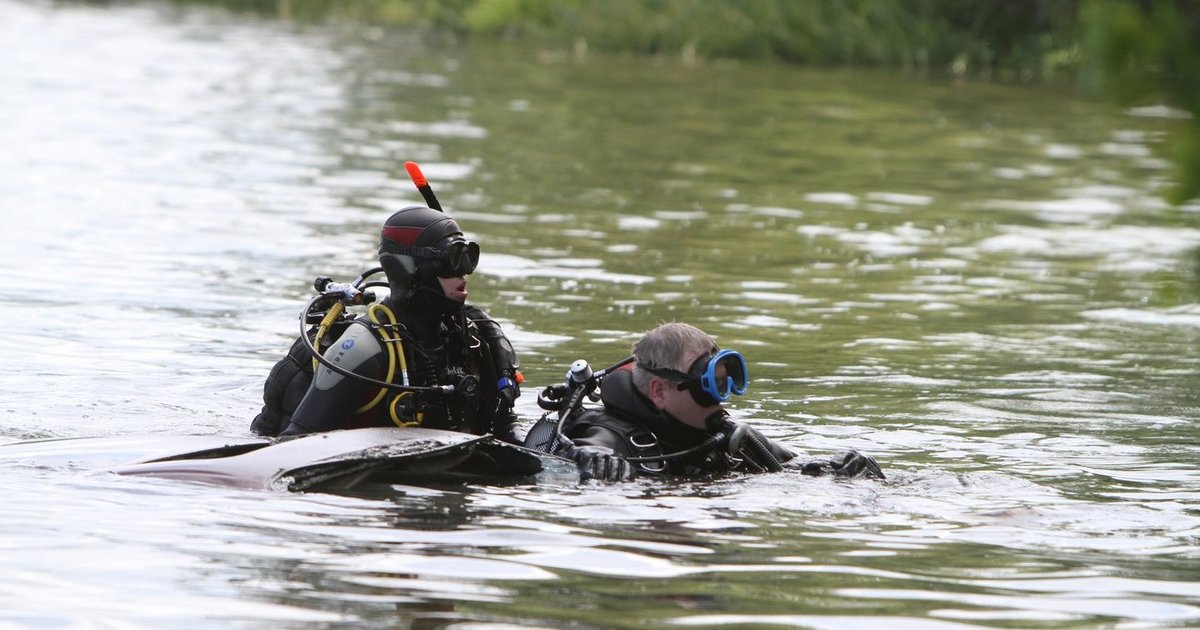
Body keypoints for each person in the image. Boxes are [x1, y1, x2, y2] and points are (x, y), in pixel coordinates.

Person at [250, 205, 523, 442]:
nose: (463, 270)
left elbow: (501, 422)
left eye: (468, 257)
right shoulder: (363, 349)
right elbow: (293, 443)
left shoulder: (469, 340)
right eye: (450, 259)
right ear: (409, 269)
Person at [525, 323, 883, 482]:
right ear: (660, 392)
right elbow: (589, 449)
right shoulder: (608, 433)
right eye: (708, 385)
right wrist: (594, 460)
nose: (721, 400)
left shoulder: (724, 436)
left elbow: (792, 466)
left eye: (725, 382)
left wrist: (839, 468)